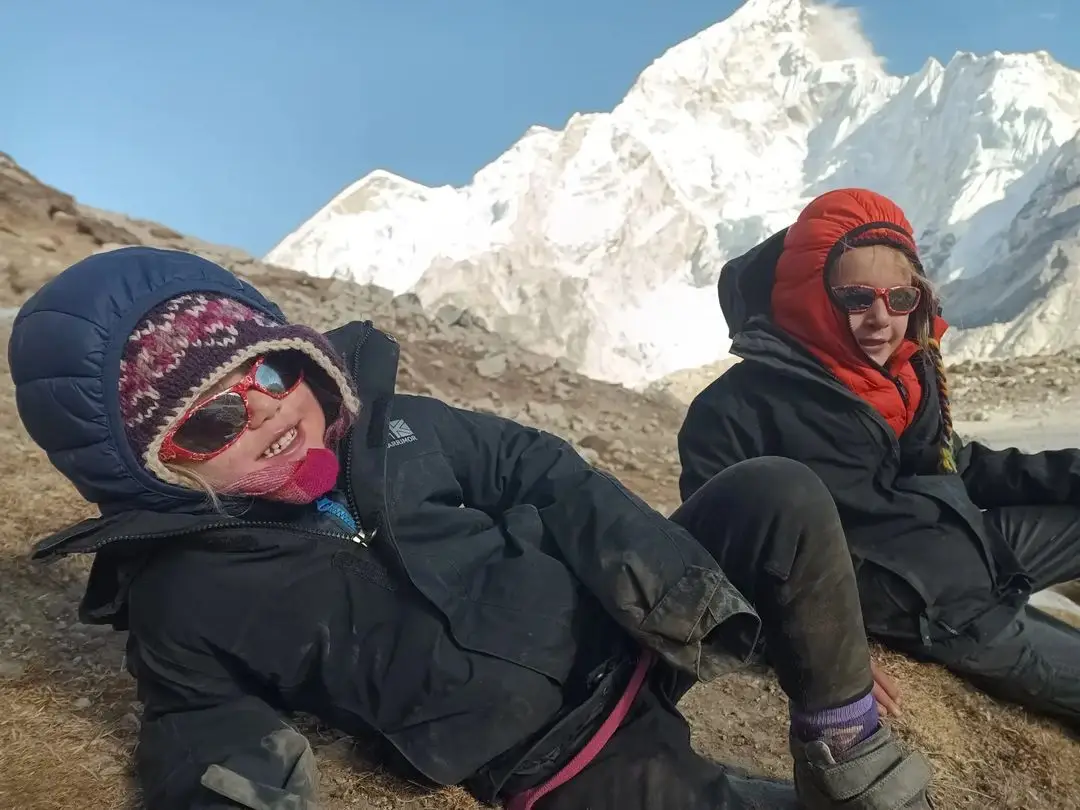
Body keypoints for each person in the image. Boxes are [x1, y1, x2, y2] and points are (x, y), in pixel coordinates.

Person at [9, 246, 933, 810]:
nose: (263, 414)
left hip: (624, 620)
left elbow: (543, 470)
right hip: (559, 752)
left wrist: (668, 589)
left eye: (268, 374)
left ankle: (846, 751)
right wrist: (228, 789)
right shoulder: (185, 594)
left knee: (776, 494)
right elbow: (197, 717)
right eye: (211, 420)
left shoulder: (400, 428)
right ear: (149, 469)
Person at [677, 187, 1080, 733]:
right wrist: (815, 649)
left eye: (900, 299)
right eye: (856, 299)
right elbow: (714, 562)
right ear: (810, 295)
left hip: (974, 547)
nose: (881, 319)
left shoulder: (905, 371)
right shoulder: (733, 413)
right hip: (938, 614)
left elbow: (950, 466)